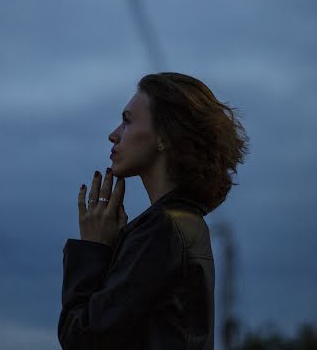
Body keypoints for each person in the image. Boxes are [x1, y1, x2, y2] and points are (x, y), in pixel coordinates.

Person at [58, 72, 250, 350]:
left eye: (127, 120)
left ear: (165, 137)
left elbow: (82, 339)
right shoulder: (187, 223)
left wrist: (92, 249)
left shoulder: (161, 230)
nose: (113, 135)